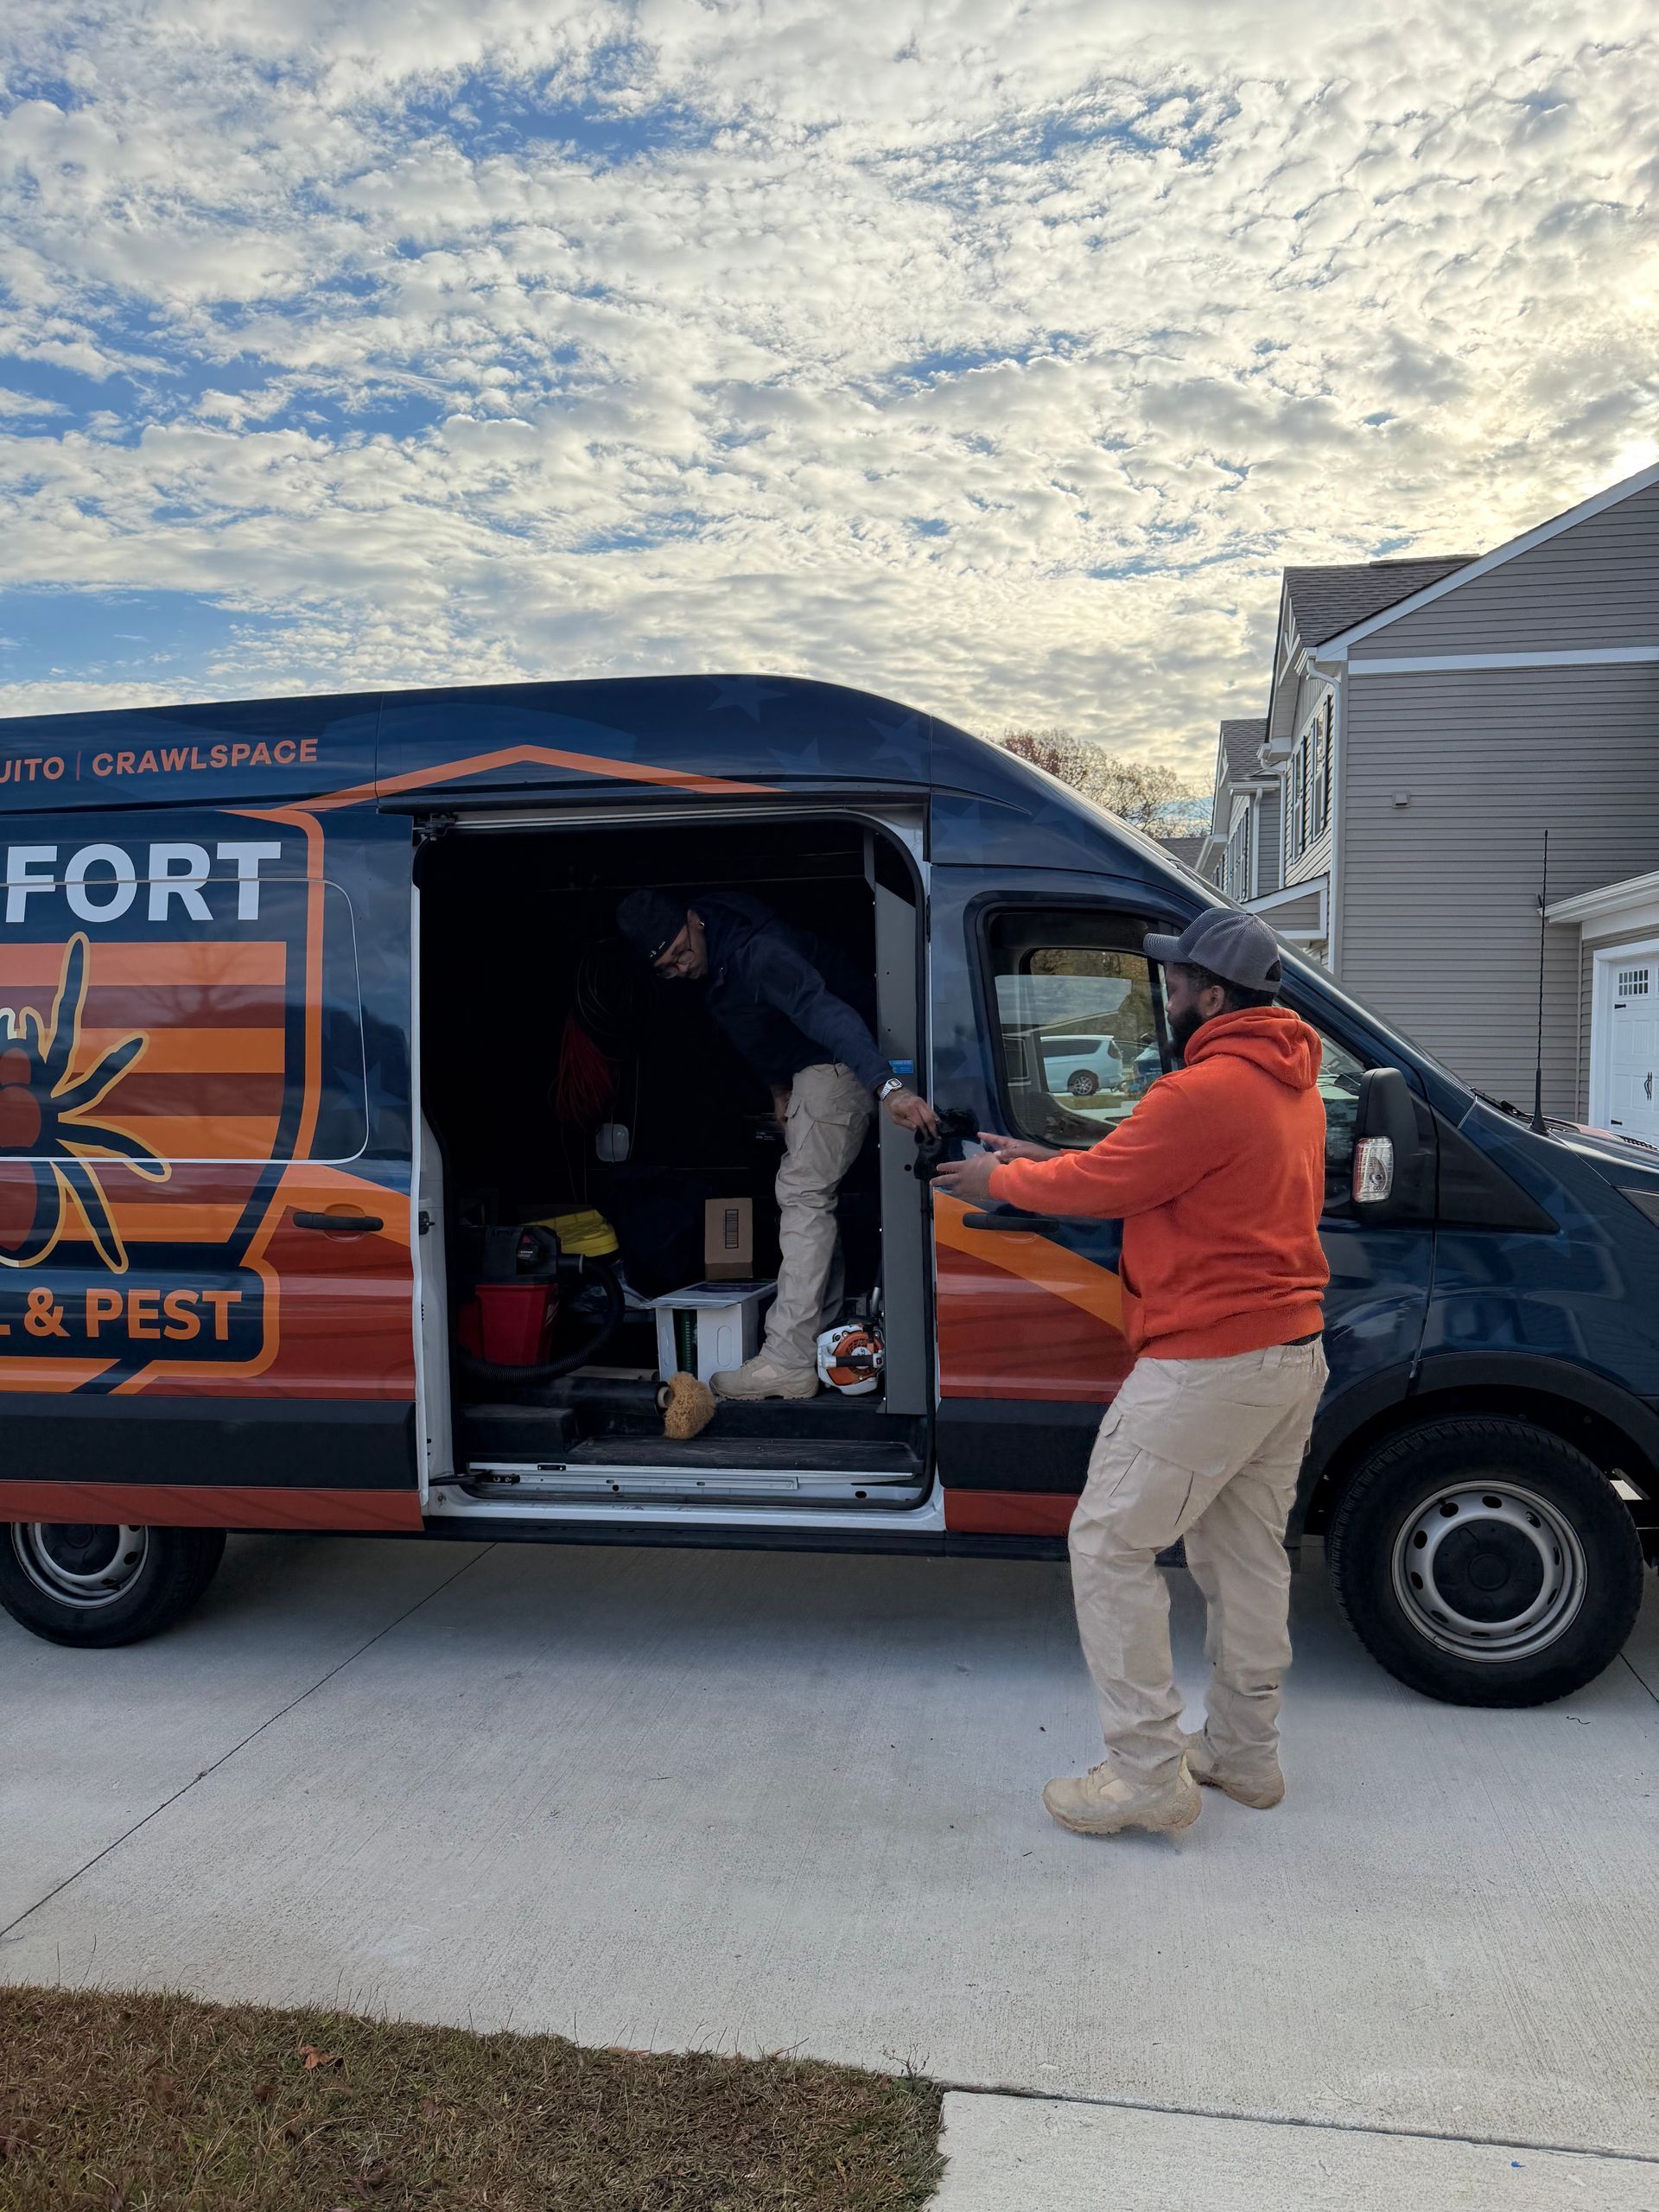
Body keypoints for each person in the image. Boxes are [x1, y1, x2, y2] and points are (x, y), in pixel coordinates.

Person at [936, 910, 1328, 1840]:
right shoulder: (1290, 1082)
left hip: (1211, 1363)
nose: (1168, 992)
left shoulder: (1203, 1090)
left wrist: (1001, 1184)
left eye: (1178, 980)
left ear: (1215, 996)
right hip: (1288, 1356)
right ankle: (1244, 1752)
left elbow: (1105, 1186)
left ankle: (1147, 1772)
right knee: (1242, 1557)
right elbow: (1142, 1172)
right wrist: (1046, 1159)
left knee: (1108, 1546)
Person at [617, 887, 938, 1399]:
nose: (680, 968)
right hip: (806, 1069)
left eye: (680, 952)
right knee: (811, 1197)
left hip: (840, 1062)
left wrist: (887, 1086)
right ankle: (815, 1344)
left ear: (694, 920)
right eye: (665, 967)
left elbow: (821, 1011)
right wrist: (779, 1088)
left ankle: (787, 1359)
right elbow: (756, 1031)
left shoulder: (756, 952)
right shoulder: (718, 950)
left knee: (804, 1195)